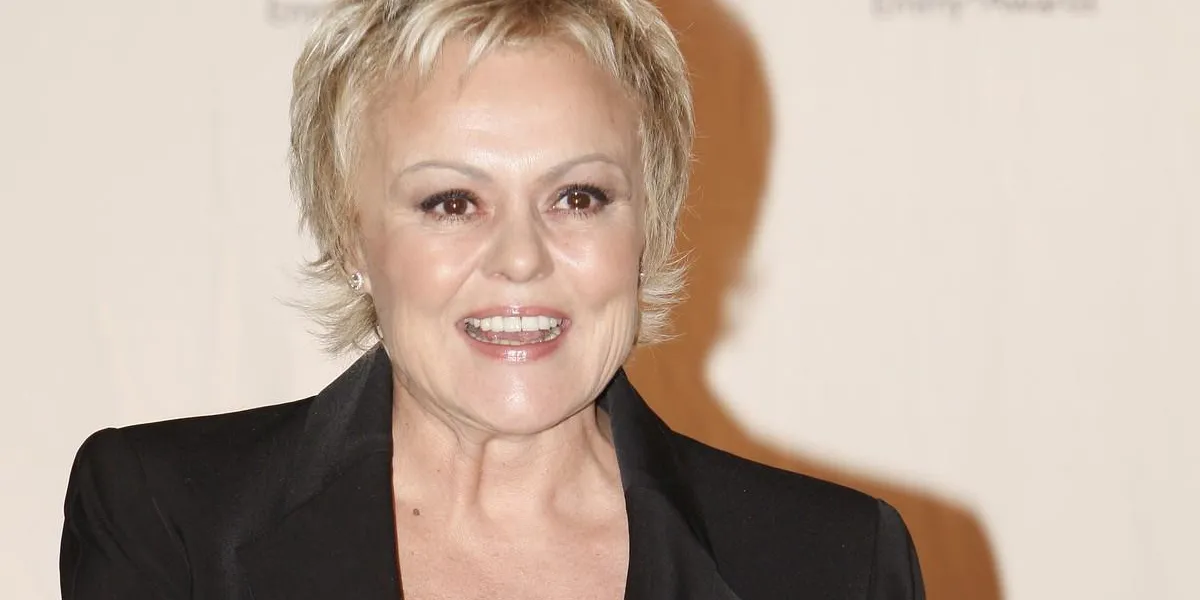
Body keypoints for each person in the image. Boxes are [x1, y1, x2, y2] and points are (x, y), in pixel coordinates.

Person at [59, 0, 925, 598]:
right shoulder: (167, 517)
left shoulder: (833, 563)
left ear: (647, 226)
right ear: (356, 237)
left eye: (577, 197)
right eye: (452, 202)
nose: (520, 259)